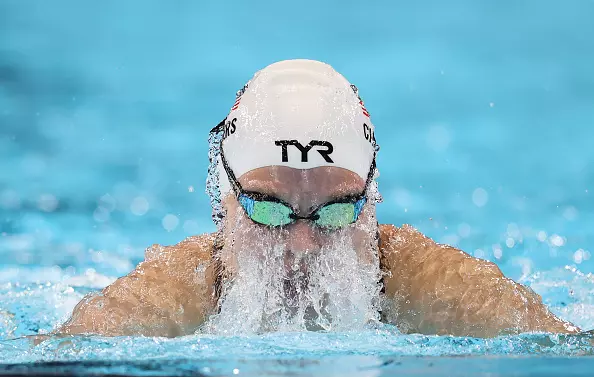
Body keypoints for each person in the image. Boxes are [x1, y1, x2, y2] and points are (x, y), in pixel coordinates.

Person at [53, 59, 581, 338]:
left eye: (335, 212)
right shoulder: (170, 299)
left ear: (370, 205)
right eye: (267, 210)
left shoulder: (438, 290)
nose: (302, 246)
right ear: (225, 201)